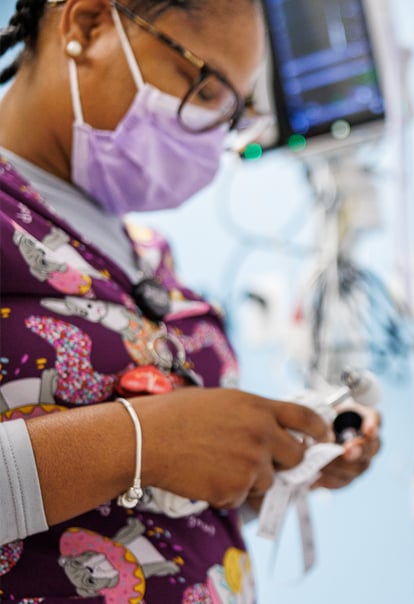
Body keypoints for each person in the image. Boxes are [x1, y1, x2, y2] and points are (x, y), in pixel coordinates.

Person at [0, 0, 381, 600]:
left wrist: (274, 460)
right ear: (88, 25)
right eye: (204, 88)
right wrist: (142, 441)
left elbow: (149, 508)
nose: (213, 138)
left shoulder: (148, 256)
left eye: (234, 115)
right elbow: (146, 448)